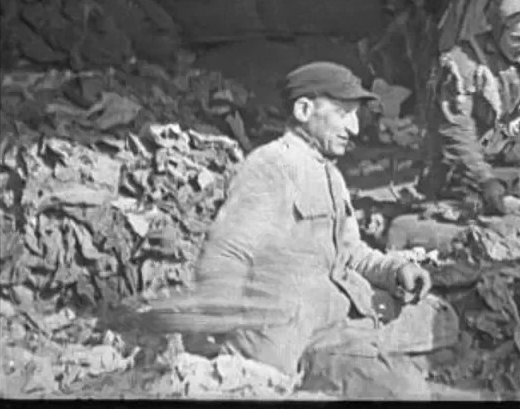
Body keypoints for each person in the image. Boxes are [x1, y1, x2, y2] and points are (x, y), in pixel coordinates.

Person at [157, 61, 468, 399]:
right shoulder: (271, 165)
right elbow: (226, 253)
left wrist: (396, 269)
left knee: (441, 318)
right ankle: (341, 370)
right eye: (343, 113)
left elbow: (351, 252)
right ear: (304, 110)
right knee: (402, 389)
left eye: (356, 115)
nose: (354, 127)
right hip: (292, 333)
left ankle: (364, 361)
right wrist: (226, 349)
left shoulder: (329, 174)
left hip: (339, 309)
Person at [419, 0, 520, 215]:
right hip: (468, 157)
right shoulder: (465, 64)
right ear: (498, 31)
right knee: (473, 204)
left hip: (509, 150)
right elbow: (457, 130)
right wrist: (484, 179)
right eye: (516, 39)